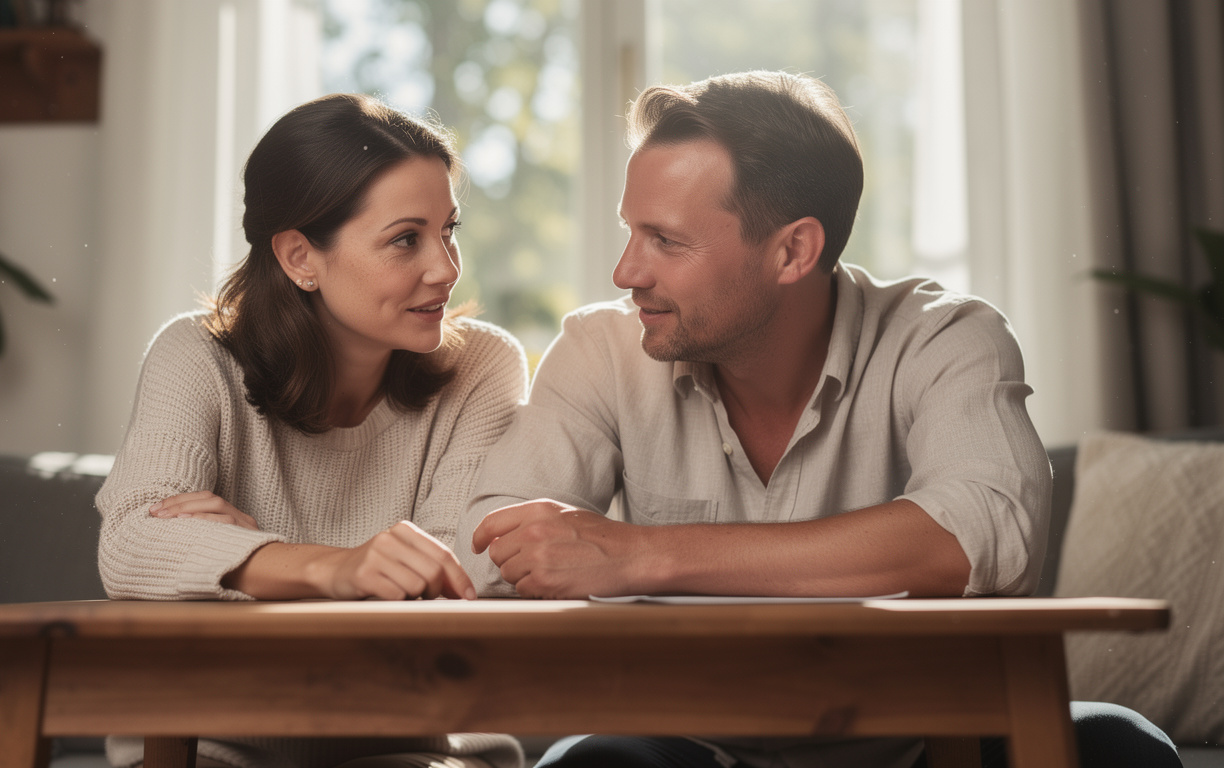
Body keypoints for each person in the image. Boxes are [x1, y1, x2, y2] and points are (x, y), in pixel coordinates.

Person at [456, 71, 1180, 768]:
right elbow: (489, 548)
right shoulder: (601, 350)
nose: (626, 272)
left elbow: (989, 531)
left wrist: (644, 554)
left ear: (794, 250)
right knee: (590, 766)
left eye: (665, 241)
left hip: (925, 742)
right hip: (690, 746)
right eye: (631, 232)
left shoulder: (944, 337)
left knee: (1124, 748)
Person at [96, 94, 526, 768]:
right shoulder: (195, 355)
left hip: (413, 747)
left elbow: (456, 582)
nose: (444, 268)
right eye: (406, 239)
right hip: (209, 744)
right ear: (300, 257)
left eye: (450, 230)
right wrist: (335, 567)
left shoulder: (482, 366)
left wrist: (241, 559)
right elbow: (131, 545)